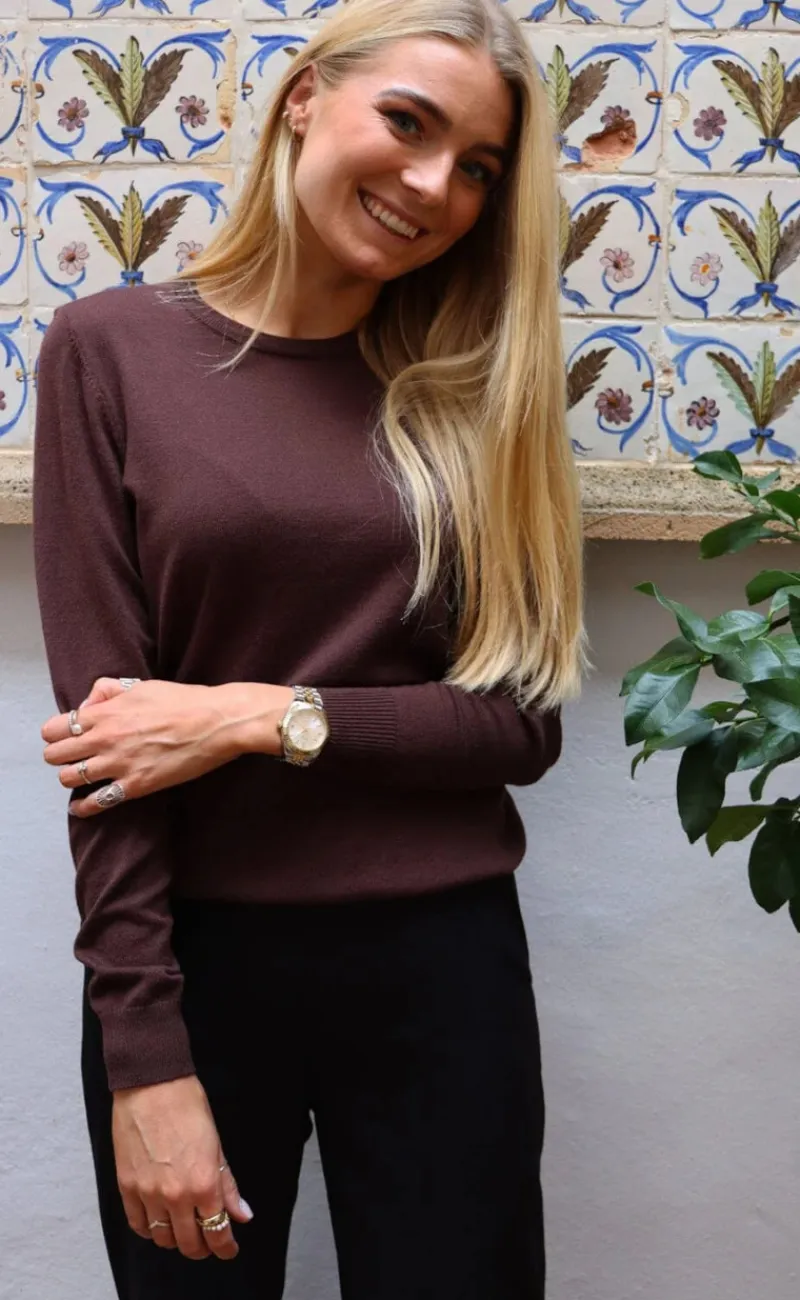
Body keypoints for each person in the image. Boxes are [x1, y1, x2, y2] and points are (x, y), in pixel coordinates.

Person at [32, 0, 584, 1295]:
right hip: (197, 969)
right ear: (303, 99)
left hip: (443, 966)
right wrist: (145, 1057)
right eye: (408, 122)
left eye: (478, 168)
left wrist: (254, 715)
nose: (433, 185)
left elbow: (519, 724)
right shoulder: (108, 353)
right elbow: (109, 752)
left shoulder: (478, 382)